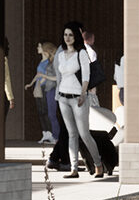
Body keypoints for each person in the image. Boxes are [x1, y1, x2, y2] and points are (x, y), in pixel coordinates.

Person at [53, 24, 111, 180]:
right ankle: (73, 169)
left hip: (78, 98)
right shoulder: (60, 55)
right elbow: (61, 76)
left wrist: (83, 94)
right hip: (63, 97)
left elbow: (86, 76)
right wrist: (58, 96)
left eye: (70, 35)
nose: (67, 38)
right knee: (71, 134)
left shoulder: (81, 54)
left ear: (76, 37)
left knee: (84, 134)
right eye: (65, 35)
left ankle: (98, 164)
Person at [30, 41, 60, 146]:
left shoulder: (50, 62)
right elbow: (38, 75)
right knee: (41, 112)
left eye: (39, 46)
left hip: (47, 88)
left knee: (48, 112)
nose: (37, 48)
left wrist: (43, 80)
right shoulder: (42, 62)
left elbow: (48, 76)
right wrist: (31, 84)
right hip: (40, 88)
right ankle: (46, 133)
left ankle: (54, 135)